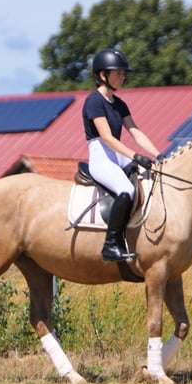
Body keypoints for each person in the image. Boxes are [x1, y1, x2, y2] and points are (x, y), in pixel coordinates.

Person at [82, 48, 163, 262]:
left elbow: (135, 132)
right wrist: (136, 156)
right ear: (103, 75)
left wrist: (158, 154)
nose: (122, 76)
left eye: (123, 73)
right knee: (126, 189)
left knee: (150, 175)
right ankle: (110, 245)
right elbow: (107, 137)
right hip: (101, 154)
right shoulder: (94, 101)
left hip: (117, 153)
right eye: (118, 73)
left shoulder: (119, 104)